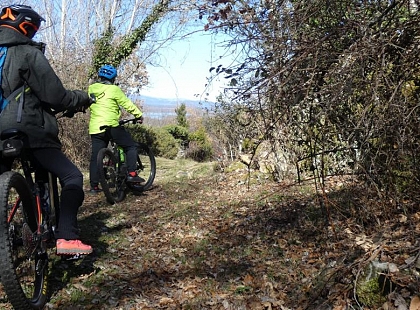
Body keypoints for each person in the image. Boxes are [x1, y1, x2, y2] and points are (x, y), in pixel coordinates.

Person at [0, 4, 93, 255]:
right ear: (26, 27)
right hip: (29, 130)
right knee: (72, 177)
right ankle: (67, 237)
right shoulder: (27, 53)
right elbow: (56, 97)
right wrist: (81, 98)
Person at [88, 64, 144, 193]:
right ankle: (132, 174)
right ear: (113, 79)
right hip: (111, 125)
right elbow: (126, 103)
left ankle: (94, 186)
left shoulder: (91, 88)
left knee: (96, 156)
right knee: (130, 146)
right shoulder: (114, 89)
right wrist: (138, 114)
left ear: (100, 76)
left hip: (96, 127)